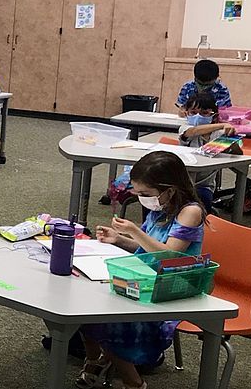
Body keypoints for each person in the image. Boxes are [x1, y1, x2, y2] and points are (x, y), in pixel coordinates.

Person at [77, 151, 207, 389]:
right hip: (143, 280)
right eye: (138, 194)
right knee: (84, 304)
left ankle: (133, 381)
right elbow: (144, 249)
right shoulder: (161, 208)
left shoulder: (190, 211)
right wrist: (118, 239)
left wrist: (134, 231)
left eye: (145, 194)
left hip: (171, 287)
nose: (142, 199)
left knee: (112, 321)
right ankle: (97, 359)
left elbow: (168, 255)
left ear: (170, 188)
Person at [178, 91, 236, 213]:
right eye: (193, 113)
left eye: (204, 113)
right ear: (186, 113)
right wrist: (222, 124)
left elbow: (238, 153)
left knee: (202, 199)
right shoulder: (185, 128)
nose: (198, 116)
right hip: (183, 183)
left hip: (204, 185)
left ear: (213, 115)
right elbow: (193, 131)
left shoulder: (219, 135)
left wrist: (231, 141)